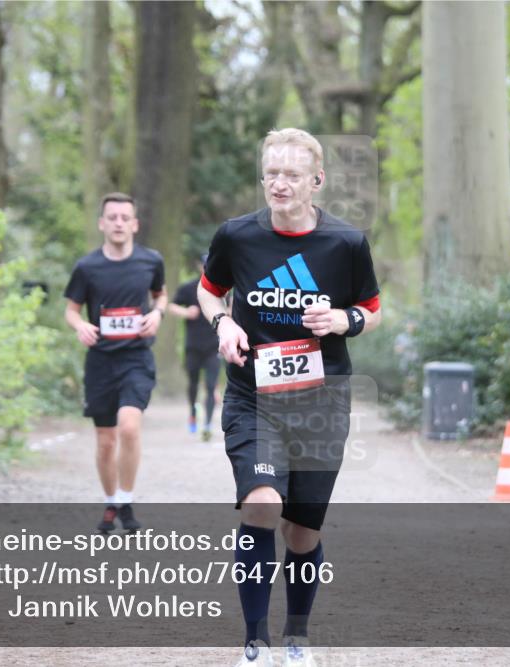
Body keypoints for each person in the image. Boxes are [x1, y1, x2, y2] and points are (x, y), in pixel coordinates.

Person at [198, 129, 381, 667]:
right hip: (254, 398)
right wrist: (224, 323)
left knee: (302, 531)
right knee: (262, 504)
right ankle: (255, 644)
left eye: (292, 175)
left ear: (316, 181)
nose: (279, 183)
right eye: (272, 173)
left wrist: (342, 319)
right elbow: (208, 291)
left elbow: (371, 308)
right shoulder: (237, 236)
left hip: (322, 402)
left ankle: (296, 635)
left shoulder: (346, 243)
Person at [63, 192, 166, 535]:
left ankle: (126, 499)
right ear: (102, 223)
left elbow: (159, 294)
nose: (119, 223)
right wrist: (81, 326)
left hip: (136, 358)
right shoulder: (87, 267)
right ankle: (112, 502)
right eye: (113, 217)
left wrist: (158, 314)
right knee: (106, 440)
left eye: (125, 217)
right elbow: (71, 310)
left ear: (135, 224)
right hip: (101, 362)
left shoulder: (151, 261)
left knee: (129, 427)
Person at [168, 254, 222, 441]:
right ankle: (192, 411)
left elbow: (234, 310)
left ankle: (207, 424)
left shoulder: (223, 288)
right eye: (205, 265)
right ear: (200, 266)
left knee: (210, 385)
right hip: (193, 346)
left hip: (214, 346)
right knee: (192, 384)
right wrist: (186, 312)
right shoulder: (189, 288)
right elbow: (172, 306)